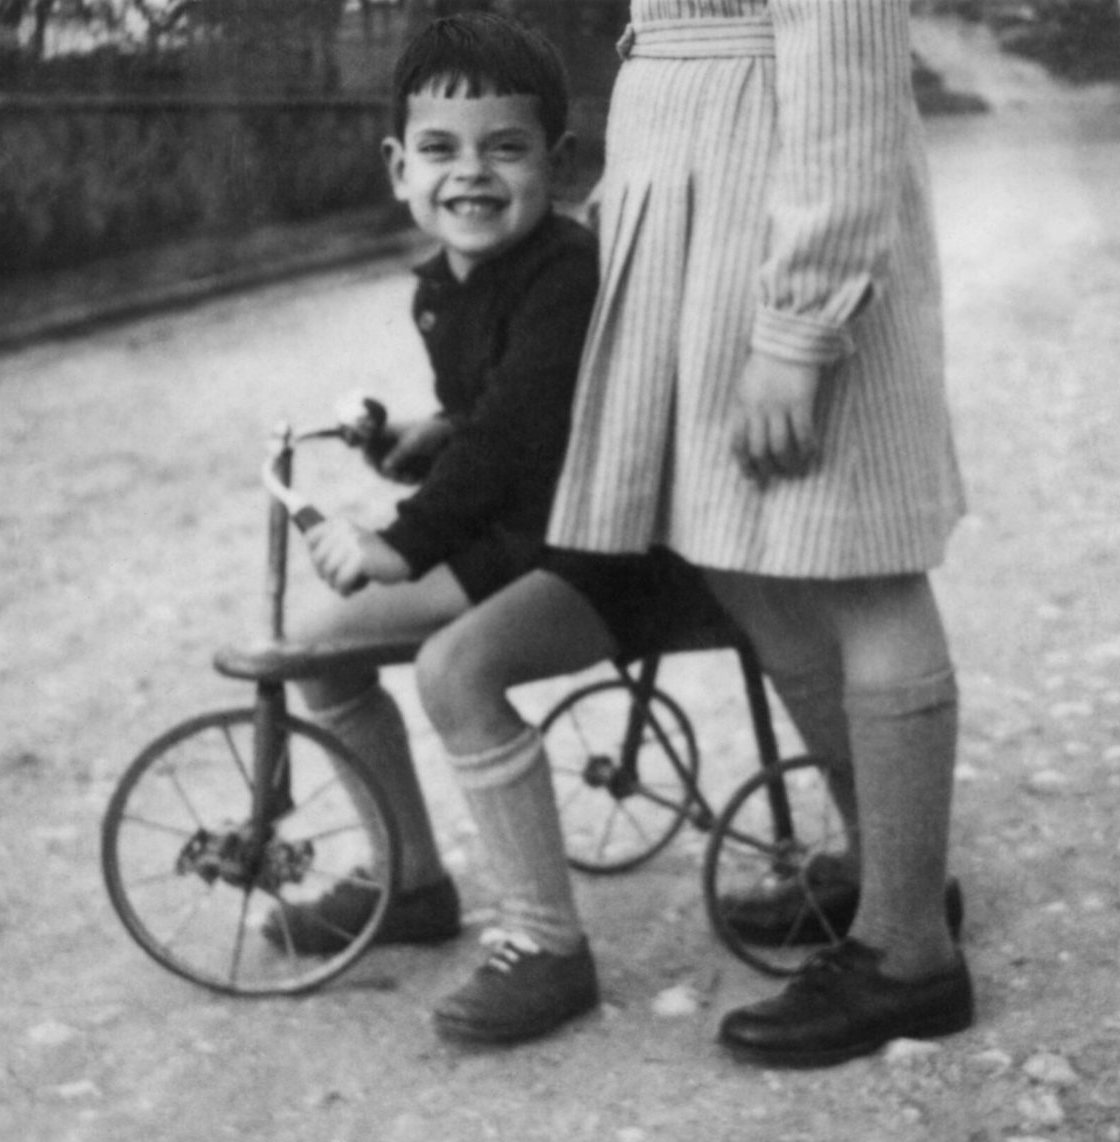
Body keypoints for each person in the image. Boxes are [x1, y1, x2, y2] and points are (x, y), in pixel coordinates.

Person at [415, 0, 973, 1065]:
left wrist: (802, 328)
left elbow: (847, 88)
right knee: (740, 557)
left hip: (779, 227)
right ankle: (890, 868)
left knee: (863, 565)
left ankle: (909, 955)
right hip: (695, 215)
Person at [261, 13, 598, 956]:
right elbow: (495, 412)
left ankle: (539, 935)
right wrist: (430, 432)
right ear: (397, 166)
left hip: (567, 537)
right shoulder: (442, 284)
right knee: (319, 648)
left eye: (506, 148)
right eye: (439, 149)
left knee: (425, 663)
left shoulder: (565, 273)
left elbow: (520, 435)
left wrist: (398, 541)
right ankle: (406, 880)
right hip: (512, 524)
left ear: (557, 161)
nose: (471, 173)